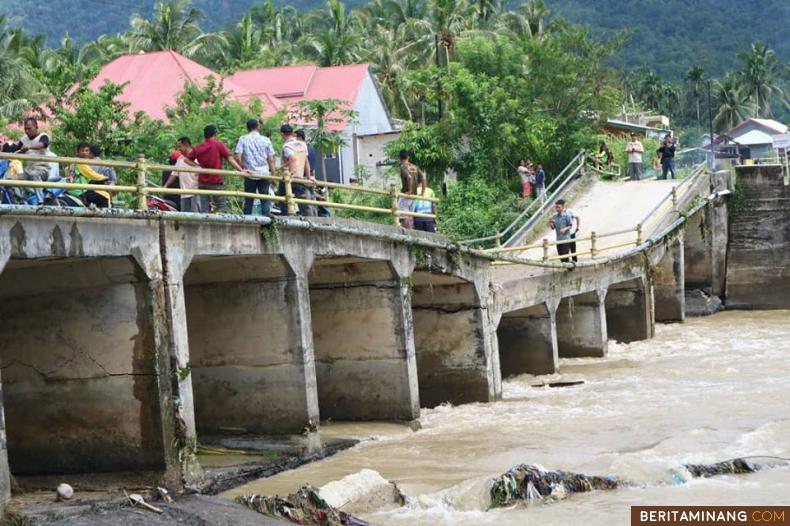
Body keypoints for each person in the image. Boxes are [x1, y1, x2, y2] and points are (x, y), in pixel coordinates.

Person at [185, 125, 245, 213]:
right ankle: (222, 225)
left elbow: (187, 160)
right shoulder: (218, 144)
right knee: (221, 206)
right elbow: (230, 159)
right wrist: (241, 170)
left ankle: (205, 225)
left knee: (204, 208)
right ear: (215, 134)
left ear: (204, 135)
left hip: (202, 181)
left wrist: (197, 166)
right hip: (215, 181)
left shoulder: (199, 146)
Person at [235, 118, 276, 215]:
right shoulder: (266, 140)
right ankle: (267, 223)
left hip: (249, 173)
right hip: (264, 174)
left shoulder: (243, 139)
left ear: (247, 128)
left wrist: (242, 168)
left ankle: (247, 222)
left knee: (249, 199)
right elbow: (271, 159)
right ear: (258, 127)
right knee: (265, 199)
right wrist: (273, 175)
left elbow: (238, 156)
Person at [281, 124, 315, 216]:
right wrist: (308, 176)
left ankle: (287, 218)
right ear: (292, 133)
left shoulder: (287, 146)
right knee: (304, 201)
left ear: (282, 134)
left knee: (283, 199)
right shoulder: (303, 145)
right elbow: (306, 161)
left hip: (290, 177)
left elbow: (292, 159)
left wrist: (291, 174)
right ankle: (310, 220)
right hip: (300, 177)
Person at [296, 129, 330, 217]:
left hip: (304, 177)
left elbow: (304, 163)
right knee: (312, 198)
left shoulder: (302, 149)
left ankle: (310, 218)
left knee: (306, 200)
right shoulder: (311, 148)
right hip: (311, 176)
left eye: (295, 137)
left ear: (299, 137)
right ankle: (315, 216)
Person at [67, 143, 111, 208]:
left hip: (74, 189)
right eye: (82, 151)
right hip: (79, 190)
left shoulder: (74, 161)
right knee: (105, 196)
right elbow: (92, 174)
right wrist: (105, 178)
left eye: (86, 151)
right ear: (78, 152)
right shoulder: (81, 163)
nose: (84, 153)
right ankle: (105, 216)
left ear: (89, 152)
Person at [164, 137, 202, 213]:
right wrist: (165, 186)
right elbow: (174, 174)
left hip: (196, 193)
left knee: (196, 216)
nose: (179, 149)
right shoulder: (180, 159)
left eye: (180, 146)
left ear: (186, 145)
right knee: (185, 217)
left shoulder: (198, 158)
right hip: (184, 194)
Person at [549, 199, 580, 263]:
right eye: (556, 207)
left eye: (558, 207)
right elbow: (553, 228)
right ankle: (568, 266)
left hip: (566, 238)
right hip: (558, 239)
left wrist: (565, 229)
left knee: (567, 253)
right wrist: (550, 223)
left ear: (563, 207)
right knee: (561, 257)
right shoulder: (554, 217)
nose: (557, 209)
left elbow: (570, 225)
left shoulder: (567, 216)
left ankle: (572, 264)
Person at [398, 150, 419, 228]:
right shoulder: (414, 167)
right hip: (414, 196)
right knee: (410, 216)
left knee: (404, 216)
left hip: (406, 194)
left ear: (399, 158)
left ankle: (406, 231)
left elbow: (409, 178)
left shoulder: (403, 166)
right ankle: (410, 231)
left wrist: (409, 191)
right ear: (408, 157)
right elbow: (423, 177)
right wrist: (422, 192)